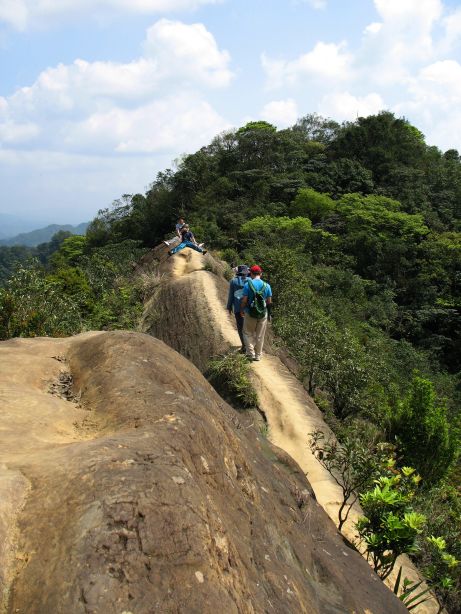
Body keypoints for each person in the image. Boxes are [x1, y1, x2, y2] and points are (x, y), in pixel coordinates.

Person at [240, 265, 272, 361]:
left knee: (247, 333)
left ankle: (250, 353)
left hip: (250, 312)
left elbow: (244, 300)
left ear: (251, 274)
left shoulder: (248, 285)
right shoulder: (267, 286)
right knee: (260, 335)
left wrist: (242, 310)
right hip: (262, 314)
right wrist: (269, 314)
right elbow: (269, 302)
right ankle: (258, 355)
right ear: (261, 274)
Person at [226, 265, 250, 353]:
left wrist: (229, 307)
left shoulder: (233, 281)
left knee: (240, 328)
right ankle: (250, 346)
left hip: (237, 308)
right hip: (248, 309)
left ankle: (244, 346)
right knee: (249, 328)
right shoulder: (250, 281)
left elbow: (231, 295)